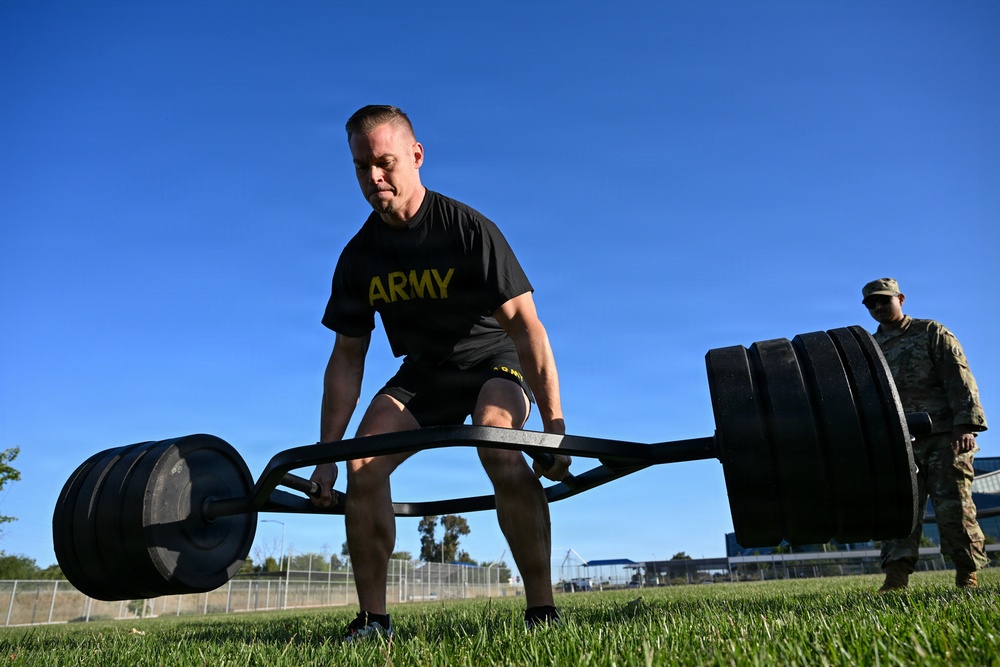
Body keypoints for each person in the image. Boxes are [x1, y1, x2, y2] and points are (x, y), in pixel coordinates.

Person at [309, 105, 571, 640]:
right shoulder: (359, 257)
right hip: (424, 373)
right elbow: (346, 358)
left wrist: (554, 426)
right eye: (362, 167)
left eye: (385, 162)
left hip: (492, 360)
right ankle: (372, 622)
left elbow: (527, 328)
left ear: (416, 155)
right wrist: (326, 455)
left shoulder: (468, 229)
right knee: (362, 464)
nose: (374, 177)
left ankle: (542, 611)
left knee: (496, 440)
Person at [861, 277, 988, 591]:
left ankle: (966, 573)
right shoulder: (869, 349)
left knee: (955, 509)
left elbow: (959, 377)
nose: (877, 307)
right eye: (870, 303)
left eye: (883, 300)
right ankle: (896, 577)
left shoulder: (931, 332)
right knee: (899, 513)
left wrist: (965, 426)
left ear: (900, 299)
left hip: (945, 436)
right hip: (899, 442)